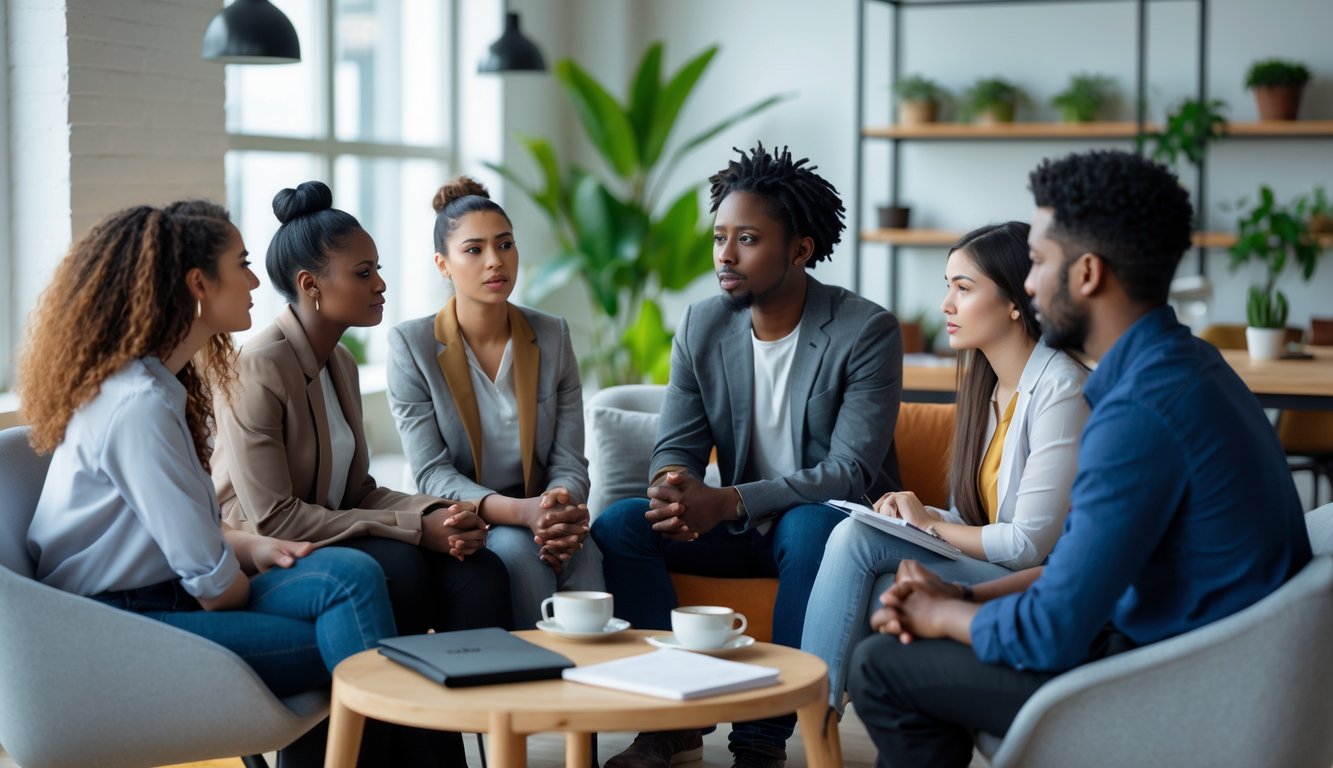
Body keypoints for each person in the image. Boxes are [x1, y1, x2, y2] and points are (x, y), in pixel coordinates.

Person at [849, 150, 1314, 767]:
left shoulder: (1139, 412)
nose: (1031, 283)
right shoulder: (1184, 368)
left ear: (1088, 273)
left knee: (882, 665)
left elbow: (1050, 630)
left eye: (1039, 262)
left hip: (1172, 684)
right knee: (903, 650)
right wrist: (964, 601)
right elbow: (1079, 567)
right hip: (1186, 653)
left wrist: (937, 614)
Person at [21, 201, 396, 768]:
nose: (252, 280)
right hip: (116, 627)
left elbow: (188, 535)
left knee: (353, 576)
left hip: (162, 593)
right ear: (199, 283)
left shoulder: (160, 384)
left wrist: (253, 546)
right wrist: (249, 572)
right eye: (241, 264)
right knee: (348, 620)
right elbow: (215, 588)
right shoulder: (138, 406)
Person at [591, 144, 903, 768]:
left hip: (823, 519)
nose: (724, 256)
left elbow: (847, 471)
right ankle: (671, 723)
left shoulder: (864, 331)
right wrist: (673, 490)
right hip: (734, 522)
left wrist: (727, 500)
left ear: (800, 250)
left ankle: (761, 741)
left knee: (814, 527)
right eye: (718, 238)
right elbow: (676, 444)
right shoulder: (703, 324)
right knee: (622, 525)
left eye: (748, 239)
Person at [211, 181, 513, 766]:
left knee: (479, 569)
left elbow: (358, 493)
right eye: (364, 272)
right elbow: (274, 517)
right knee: (401, 567)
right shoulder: (260, 369)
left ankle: (461, 750)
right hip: (264, 557)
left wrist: (441, 516)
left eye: (378, 270)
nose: (381, 285)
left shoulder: (341, 363)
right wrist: (410, 532)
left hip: (325, 539)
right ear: (311, 285)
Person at [801, 221, 1089, 717]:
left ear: (1017, 301)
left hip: (1044, 582)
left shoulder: (1061, 389)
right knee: (884, 591)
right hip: (1001, 564)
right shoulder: (991, 387)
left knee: (856, 540)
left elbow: (1025, 545)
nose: (946, 305)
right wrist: (919, 515)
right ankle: (825, 721)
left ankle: (809, 715)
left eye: (964, 287)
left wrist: (931, 526)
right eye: (947, 287)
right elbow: (975, 521)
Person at [386, 176, 602, 630]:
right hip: (475, 519)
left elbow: (569, 458)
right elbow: (432, 472)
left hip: (542, 510)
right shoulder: (413, 345)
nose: (495, 261)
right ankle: (532, 690)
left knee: (583, 555)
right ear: (443, 264)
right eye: (474, 249)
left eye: (505, 245)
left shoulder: (552, 334)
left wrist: (558, 508)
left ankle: (598, 692)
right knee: (521, 553)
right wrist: (522, 513)